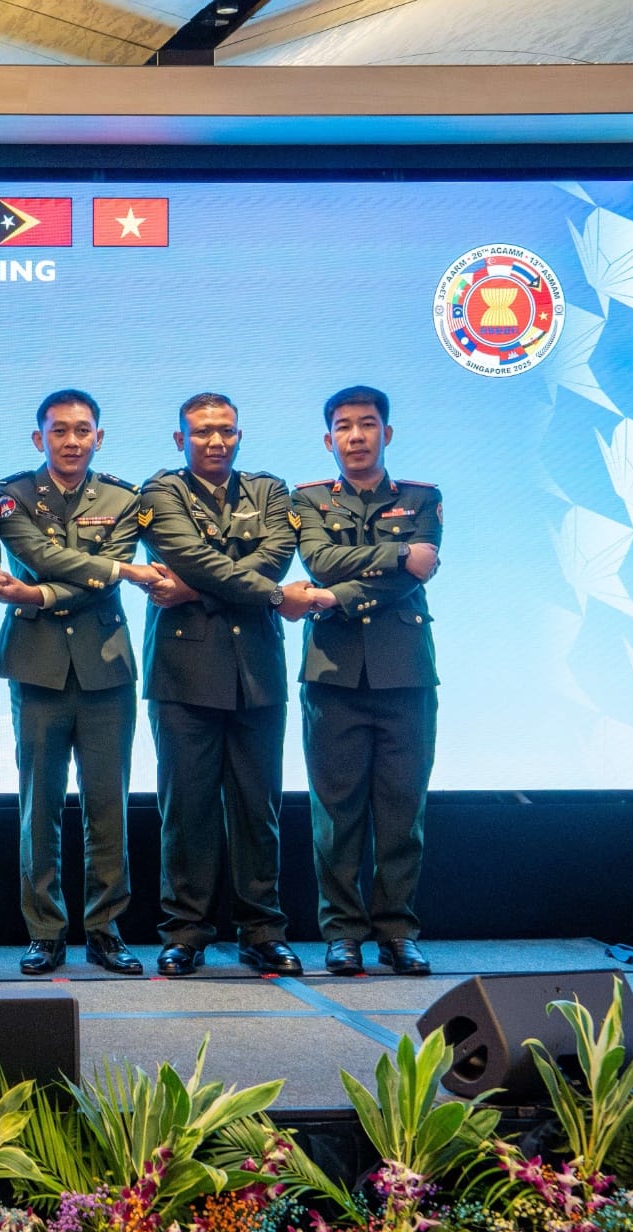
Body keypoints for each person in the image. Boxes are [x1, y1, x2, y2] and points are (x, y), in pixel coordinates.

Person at [138, 392, 333, 978]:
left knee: (258, 808)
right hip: (183, 672)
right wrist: (268, 595)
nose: (215, 441)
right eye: (201, 433)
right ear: (181, 440)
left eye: (225, 431)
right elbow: (188, 556)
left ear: (240, 434)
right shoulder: (159, 492)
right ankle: (186, 933)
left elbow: (274, 557)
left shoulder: (271, 492)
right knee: (187, 809)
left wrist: (197, 588)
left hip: (257, 671)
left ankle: (262, 931)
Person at [0, 390, 163, 976]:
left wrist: (42, 593)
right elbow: (38, 555)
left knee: (107, 805)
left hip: (104, 664)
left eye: (81, 431)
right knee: (38, 805)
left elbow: (91, 583)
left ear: (98, 438)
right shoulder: (10, 496)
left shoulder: (124, 497)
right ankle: (44, 931)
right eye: (58, 431)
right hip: (36, 664)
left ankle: (105, 929)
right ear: (39, 438)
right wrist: (116, 569)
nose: (70, 441)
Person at [292, 386, 442, 977]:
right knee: (337, 813)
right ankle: (343, 933)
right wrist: (397, 553)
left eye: (368, 424)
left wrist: (333, 596)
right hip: (332, 676)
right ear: (330, 439)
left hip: (405, 675)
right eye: (345, 427)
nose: (357, 436)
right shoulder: (306, 500)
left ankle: (398, 932)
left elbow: (416, 576)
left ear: (387, 433)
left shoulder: (421, 497)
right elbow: (320, 562)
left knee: (402, 811)